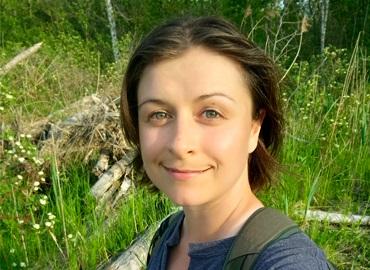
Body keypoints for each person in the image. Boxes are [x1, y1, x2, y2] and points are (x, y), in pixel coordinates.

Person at [120, 16, 334, 270]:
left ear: (255, 127)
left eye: (211, 113)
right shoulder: (167, 236)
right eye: (159, 114)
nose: (180, 144)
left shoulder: (286, 263)